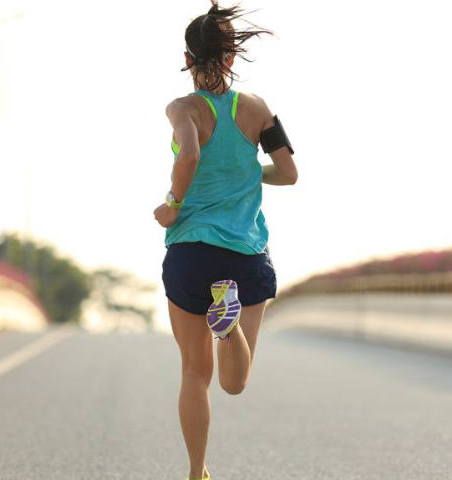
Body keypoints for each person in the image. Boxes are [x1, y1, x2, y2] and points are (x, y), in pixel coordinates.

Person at [153, 3, 298, 479]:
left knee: (195, 374)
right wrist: (248, 172)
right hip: (247, 255)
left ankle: (197, 472)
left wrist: (172, 203)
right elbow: (289, 173)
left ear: (187, 58)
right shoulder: (257, 108)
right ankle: (228, 325)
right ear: (232, 57)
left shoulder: (182, 109)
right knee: (235, 382)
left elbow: (190, 155)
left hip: (192, 252)